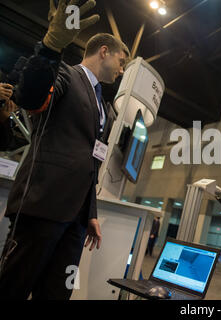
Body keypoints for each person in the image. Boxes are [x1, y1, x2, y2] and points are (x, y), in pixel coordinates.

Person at [0, 0, 130, 299]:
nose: (122, 70)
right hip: (43, 205)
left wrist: (91, 213)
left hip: (75, 220)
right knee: (12, 288)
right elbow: (31, 98)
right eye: (122, 61)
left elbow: (92, 162)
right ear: (104, 51)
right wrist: (51, 47)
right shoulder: (65, 74)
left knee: (58, 294)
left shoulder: (104, 107)